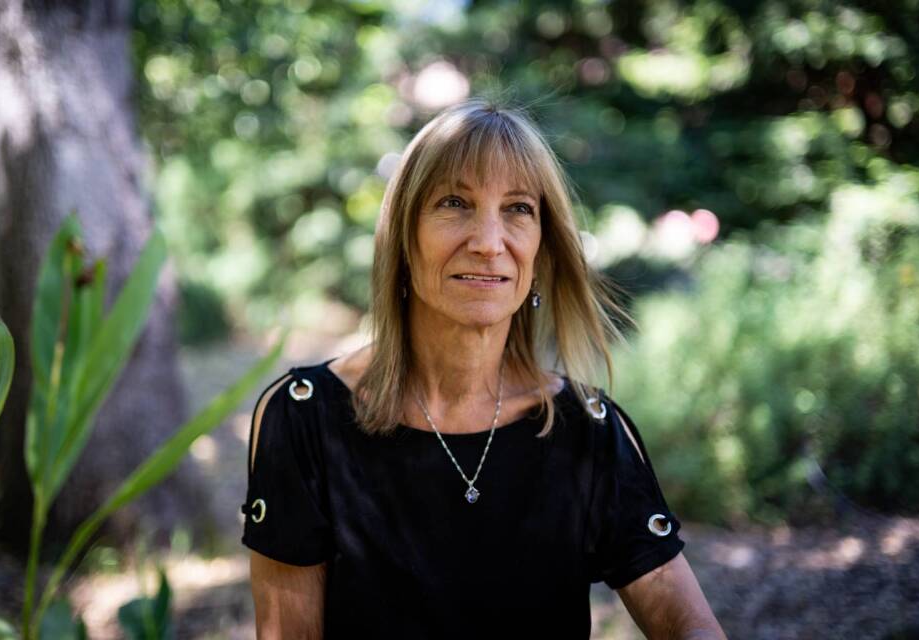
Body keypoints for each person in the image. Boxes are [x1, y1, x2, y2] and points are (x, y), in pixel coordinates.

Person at [241, 98, 726, 639]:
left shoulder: (587, 429)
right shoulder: (305, 418)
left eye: (518, 209)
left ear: (542, 248)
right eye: (454, 202)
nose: (489, 244)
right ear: (404, 236)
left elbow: (689, 627)